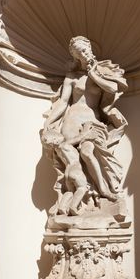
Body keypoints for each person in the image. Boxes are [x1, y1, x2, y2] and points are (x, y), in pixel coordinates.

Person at [43, 36, 128, 203]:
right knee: (71, 159)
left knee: (87, 152)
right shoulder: (72, 76)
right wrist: (49, 124)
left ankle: (103, 190)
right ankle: (77, 201)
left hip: (92, 121)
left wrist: (93, 74)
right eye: (79, 52)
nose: (83, 53)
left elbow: (112, 88)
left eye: (84, 49)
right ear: (75, 56)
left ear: (90, 48)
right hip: (71, 121)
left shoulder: (103, 71)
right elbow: (63, 102)